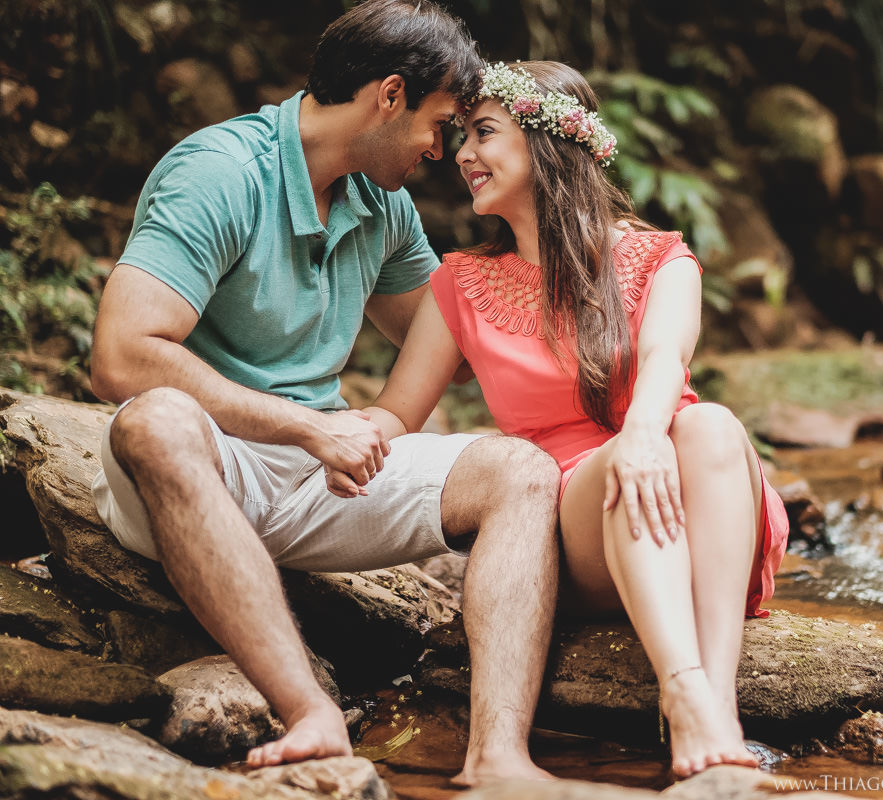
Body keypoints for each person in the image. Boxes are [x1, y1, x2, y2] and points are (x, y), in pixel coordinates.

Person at [88, 2, 561, 784]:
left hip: (320, 477)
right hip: (204, 466)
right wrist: (307, 429)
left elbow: (458, 348)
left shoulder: (385, 204)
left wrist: (542, 217)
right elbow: (121, 357)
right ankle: (310, 715)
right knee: (156, 422)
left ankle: (496, 757)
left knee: (521, 472)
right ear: (388, 95)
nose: (443, 151)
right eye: (441, 125)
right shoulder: (220, 171)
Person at [328, 60, 790, 778]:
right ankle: (680, 688)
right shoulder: (463, 282)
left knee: (712, 426)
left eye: (484, 133)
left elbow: (668, 357)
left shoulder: (657, 256)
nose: (462, 155)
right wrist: (322, 437)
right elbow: (397, 410)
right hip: (573, 521)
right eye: (459, 137)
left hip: (687, 480)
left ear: (550, 143)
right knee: (628, 462)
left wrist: (642, 436)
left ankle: (710, 708)